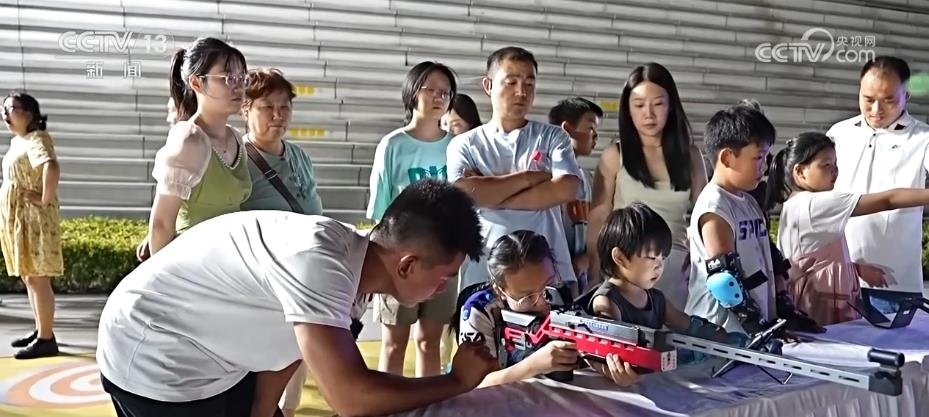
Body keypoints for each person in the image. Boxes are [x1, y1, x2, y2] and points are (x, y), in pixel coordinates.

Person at [96, 179, 497, 417]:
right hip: (155, 353)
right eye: (443, 277)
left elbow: (295, 345)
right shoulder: (321, 265)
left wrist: (263, 412)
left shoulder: (357, 269)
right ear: (407, 265)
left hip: (215, 356)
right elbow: (350, 398)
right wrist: (457, 381)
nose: (442, 289)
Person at [447, 46, 583, 298]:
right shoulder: (464, 144)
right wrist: (531, 178)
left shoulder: (553, 136)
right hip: (484, 273)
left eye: (529, 84)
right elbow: (463, 194)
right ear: (488, 85)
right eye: (511, 82)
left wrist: (489, 194)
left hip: (547, 276)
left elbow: (567, 188)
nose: (522, 92)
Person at [766, 132, 929, 325]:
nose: (834, 171)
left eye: (835, 164)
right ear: (800, 171)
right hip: (821, 304)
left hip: (814, 296)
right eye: (826, 165)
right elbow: (889, 200)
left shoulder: (795, 203)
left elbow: (812, 258)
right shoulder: (816, 203)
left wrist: (855, 268)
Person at [238, 67, 325, 417]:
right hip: (260, 281)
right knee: (264, 360)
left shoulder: (299, 156)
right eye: (267, 107)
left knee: (299, 350)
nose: (278, 115)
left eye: (284, 107)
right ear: (245, 110)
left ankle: (287, 410)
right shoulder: (235, 159)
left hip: (302, 275)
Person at [587, 63, 707, 308]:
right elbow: (598, 216)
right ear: (628, 109)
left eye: (658, 104)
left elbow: (705, 215)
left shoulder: (691, 156)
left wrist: (703, 262)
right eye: (639, 105)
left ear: (671, 106)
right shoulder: (614, 156)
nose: (649, 114)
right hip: (626, 267)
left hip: (675, 266)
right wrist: (593, 270)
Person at [367, 61, 460, 378]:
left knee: (429, 342)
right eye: (431, 89)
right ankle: (388, 402)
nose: (439, 97)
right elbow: (380, 211)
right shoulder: (393, 145)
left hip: (443, 259)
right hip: (399, 259)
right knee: (394, 344)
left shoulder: (457, 146)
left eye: (445, 92)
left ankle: (427, 403)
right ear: (412, 92)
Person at [588, 203, 745, 385]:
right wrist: (611, 372)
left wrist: (724, 338)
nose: (659, 265)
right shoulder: (606, 302)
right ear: (620, 257)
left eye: (662, 258)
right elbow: (593, 352)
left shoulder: (655, 298)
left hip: (648, 383)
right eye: (652, 257)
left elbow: (689, 326)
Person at [828, 56, 929, 313]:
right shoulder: (839, 134)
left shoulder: (923, 139)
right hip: (838, 277)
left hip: (893, 283)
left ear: (906, 96)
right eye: (868, 99)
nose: (876, 110)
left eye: (888, 100)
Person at [138, 37, 251, 260]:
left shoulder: (236, 138)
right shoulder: (189, 139)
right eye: (228, 78)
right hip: (193, 263)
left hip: (232, 260)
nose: (238, 86)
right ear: (197, 83)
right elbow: (161, 224)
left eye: (242, 78)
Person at [684, 104, 777, 335]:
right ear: (727, 157)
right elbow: (724, 280)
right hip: (720, 331)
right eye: (758, 157)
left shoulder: (748, 202)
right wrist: (756, 327)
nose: (765, 166)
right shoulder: (715, 207)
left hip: (749, 328)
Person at [456, 230, 579, 387]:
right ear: (500, 291)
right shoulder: (481, 309)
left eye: (550, 285)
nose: (543, 301)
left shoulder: (562, 295)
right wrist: (534, 365)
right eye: (528, 297)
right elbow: (474, 383)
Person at [1, 91, 63, 360]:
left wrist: (44, 198)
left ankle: (46, 339)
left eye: (11, 108)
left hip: (34, 219)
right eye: (3, 109)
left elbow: (51, 166)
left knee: (38, 277)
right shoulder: (20, 141)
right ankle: (41, 329)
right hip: (20, 218)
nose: (5, 114)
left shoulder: (37, 138)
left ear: (29, 113)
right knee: (29, 276)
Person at [548, 97, 603, 292]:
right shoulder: (544, 173)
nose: (595, 136)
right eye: (590, 128)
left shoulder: (587, 178)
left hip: (579, 280)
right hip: (549, 278)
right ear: (567, 129)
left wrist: (587, 258)